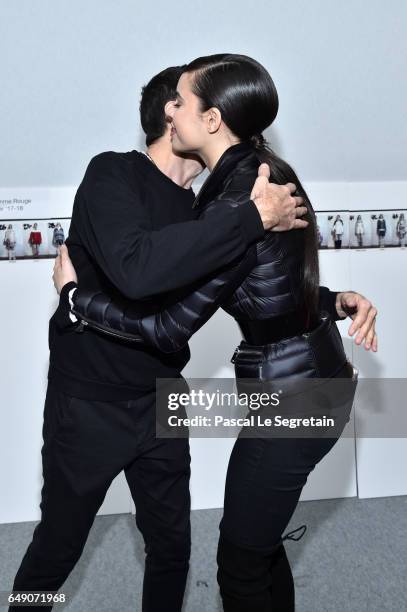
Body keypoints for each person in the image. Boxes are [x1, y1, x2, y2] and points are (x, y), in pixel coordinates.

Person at [53, 54, 378, 611]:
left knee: (231, 563)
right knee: (61, 551)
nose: (168, 109)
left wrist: (74, 297)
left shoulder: (243, 200)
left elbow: (170, 323)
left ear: (211, 119)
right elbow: (266, 283)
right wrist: (329, 301)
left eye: (180, 99)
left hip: (286, 402)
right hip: (302, 382)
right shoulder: (256, 182)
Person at [8, 65, 309, 612]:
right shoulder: (112, 175)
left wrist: (328, 299)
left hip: (163, 399)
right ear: (173, 112)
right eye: (195, 99)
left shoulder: (207, 211)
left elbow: (238, 287)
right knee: (58, 547)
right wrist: (249, 219)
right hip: (89, 402)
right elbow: (139, 271)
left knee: (172, 547)